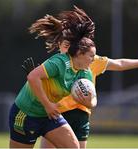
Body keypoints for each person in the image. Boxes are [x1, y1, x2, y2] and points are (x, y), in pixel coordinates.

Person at [22, 6, 138, 149]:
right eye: (65, 45)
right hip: (58, 113)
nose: (67, 50)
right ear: (59, 45)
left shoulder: (91, 60)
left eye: (70, 45)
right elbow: (38, 82)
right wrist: (33, 77)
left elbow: (119, 63)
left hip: (81, 115)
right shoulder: (55, 64)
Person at [9, 6, 97, 148]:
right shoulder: (60, 62)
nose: (94, 59)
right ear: (80, 53)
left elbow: (92, 99)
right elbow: (32, 77)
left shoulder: (84, 73)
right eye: (91, 56)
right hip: (26, 113)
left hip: (49, 116)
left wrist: (90, 102)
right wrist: (48, 105)